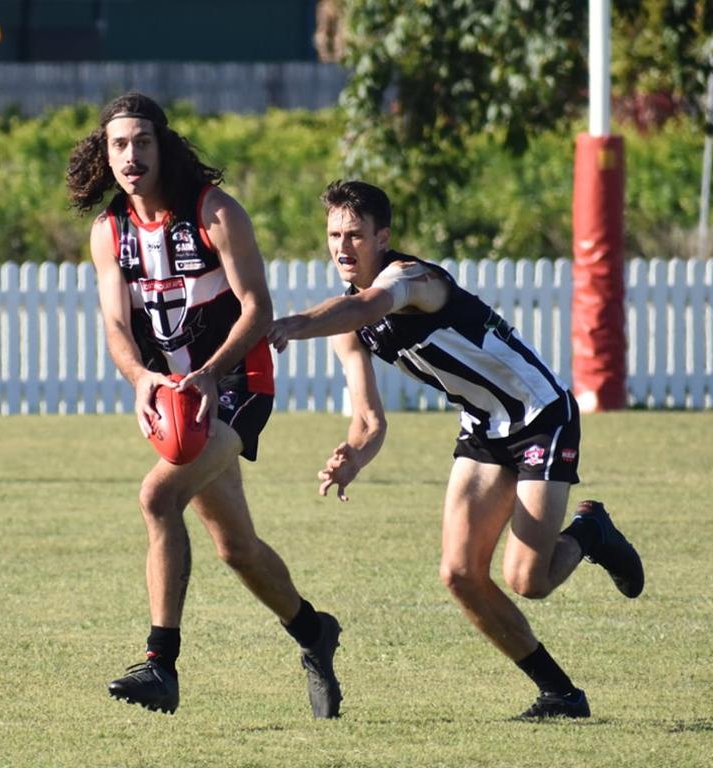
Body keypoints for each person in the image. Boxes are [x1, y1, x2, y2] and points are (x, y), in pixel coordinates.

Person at [268, 180, 644, 720]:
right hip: (485, 428)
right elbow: (370, 420)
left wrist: (291, 325)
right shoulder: (348, 325)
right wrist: (352, 455)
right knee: (459, 574)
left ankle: (590, 532)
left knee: (527, 581)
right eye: (333, 234)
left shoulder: (412, 279)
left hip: (540, 416)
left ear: (383, 237)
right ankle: (560, 694)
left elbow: (372, 304)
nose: (342, 247)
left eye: (355, 234)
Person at [66, 92, 342, 718]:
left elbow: (257, 309)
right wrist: (140, 378)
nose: (130, 155)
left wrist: (214, 374)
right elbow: (114, 323)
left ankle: (160, 665)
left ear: (164, 146)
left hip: (239, 386)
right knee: (236, 547)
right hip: (176, 396)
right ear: (104, 154)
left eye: (142, 142)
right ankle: (313, 632)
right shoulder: (109, 231)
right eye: (118, 144)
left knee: (158, 497)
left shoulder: (214, 213)